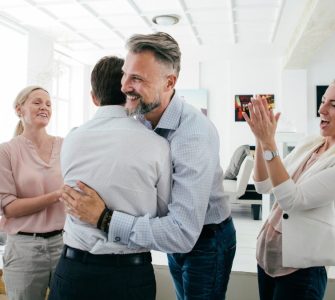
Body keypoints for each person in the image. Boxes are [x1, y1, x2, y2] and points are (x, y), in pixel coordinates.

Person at [61, 32, 236, 300]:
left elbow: (181, 233)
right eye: (125, 75)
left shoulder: (193, 136)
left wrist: (103, 218)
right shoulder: (140, 115)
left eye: (137, 79)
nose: (124, 87)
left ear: (170, 82)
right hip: (174, 237)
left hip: (206, 240)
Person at [48, 56, 171, 300]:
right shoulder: (157, 145)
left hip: (74, 270)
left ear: (94, 97)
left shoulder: (71, 139)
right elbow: (163, 215)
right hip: (130, 275)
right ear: (130, 92)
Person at [242, 82, 335, 300]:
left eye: (334, 104)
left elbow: (291, 200)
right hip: (267, 260)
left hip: (300, 272)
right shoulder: (311, 143)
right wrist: (260, 139)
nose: (321, 110)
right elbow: (263, 185)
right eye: (323, 101)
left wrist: (269, 141)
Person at [0, 86, 65, 300]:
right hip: (23, 250)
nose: (44, 107)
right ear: (19, 110)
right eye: (37, 102)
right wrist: (56, 195)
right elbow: (9, 208)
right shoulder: (6, 151)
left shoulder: (65, 145)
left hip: (63, 245)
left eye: (48, 104)